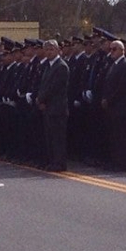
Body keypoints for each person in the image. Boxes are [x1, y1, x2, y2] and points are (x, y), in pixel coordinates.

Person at [37, 39, 70, 172]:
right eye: (47, 49)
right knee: (50, 136)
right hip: (48, 107)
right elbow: (43, 85)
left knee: (58, 137)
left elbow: (54, 87)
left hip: (57, 107)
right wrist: (40, 99)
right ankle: (52, 161)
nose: (49, 52)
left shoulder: (61, 66)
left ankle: (60, 163)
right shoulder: (48, 65)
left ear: (57, 50)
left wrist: (42, 99)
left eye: (51, 49)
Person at [101, 40, 126, 172]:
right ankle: (115, 161)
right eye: (110, 49)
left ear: (122, 50)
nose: (111, 52)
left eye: (114, 49)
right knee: (113, 136)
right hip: (113, 107)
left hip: (120, 107)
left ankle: (123, 163)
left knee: (120, 136)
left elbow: (122, 88)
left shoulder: (125, 65)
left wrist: (109, 100)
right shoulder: (114, 65)